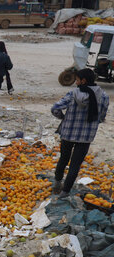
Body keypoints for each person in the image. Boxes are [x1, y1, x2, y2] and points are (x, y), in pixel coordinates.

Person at [51, 68, 109, 197]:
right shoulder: (103, 96)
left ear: (83, 81)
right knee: (75, 165)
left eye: (77, 80)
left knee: (63, 159)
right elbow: (102, 115)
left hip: (68, 133)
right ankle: (65, 192)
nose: (76, 82)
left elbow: (55, 108)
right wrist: (94, 123)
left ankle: (57, 183)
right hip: (86, 137)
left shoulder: (73, 94)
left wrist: (63, 117)